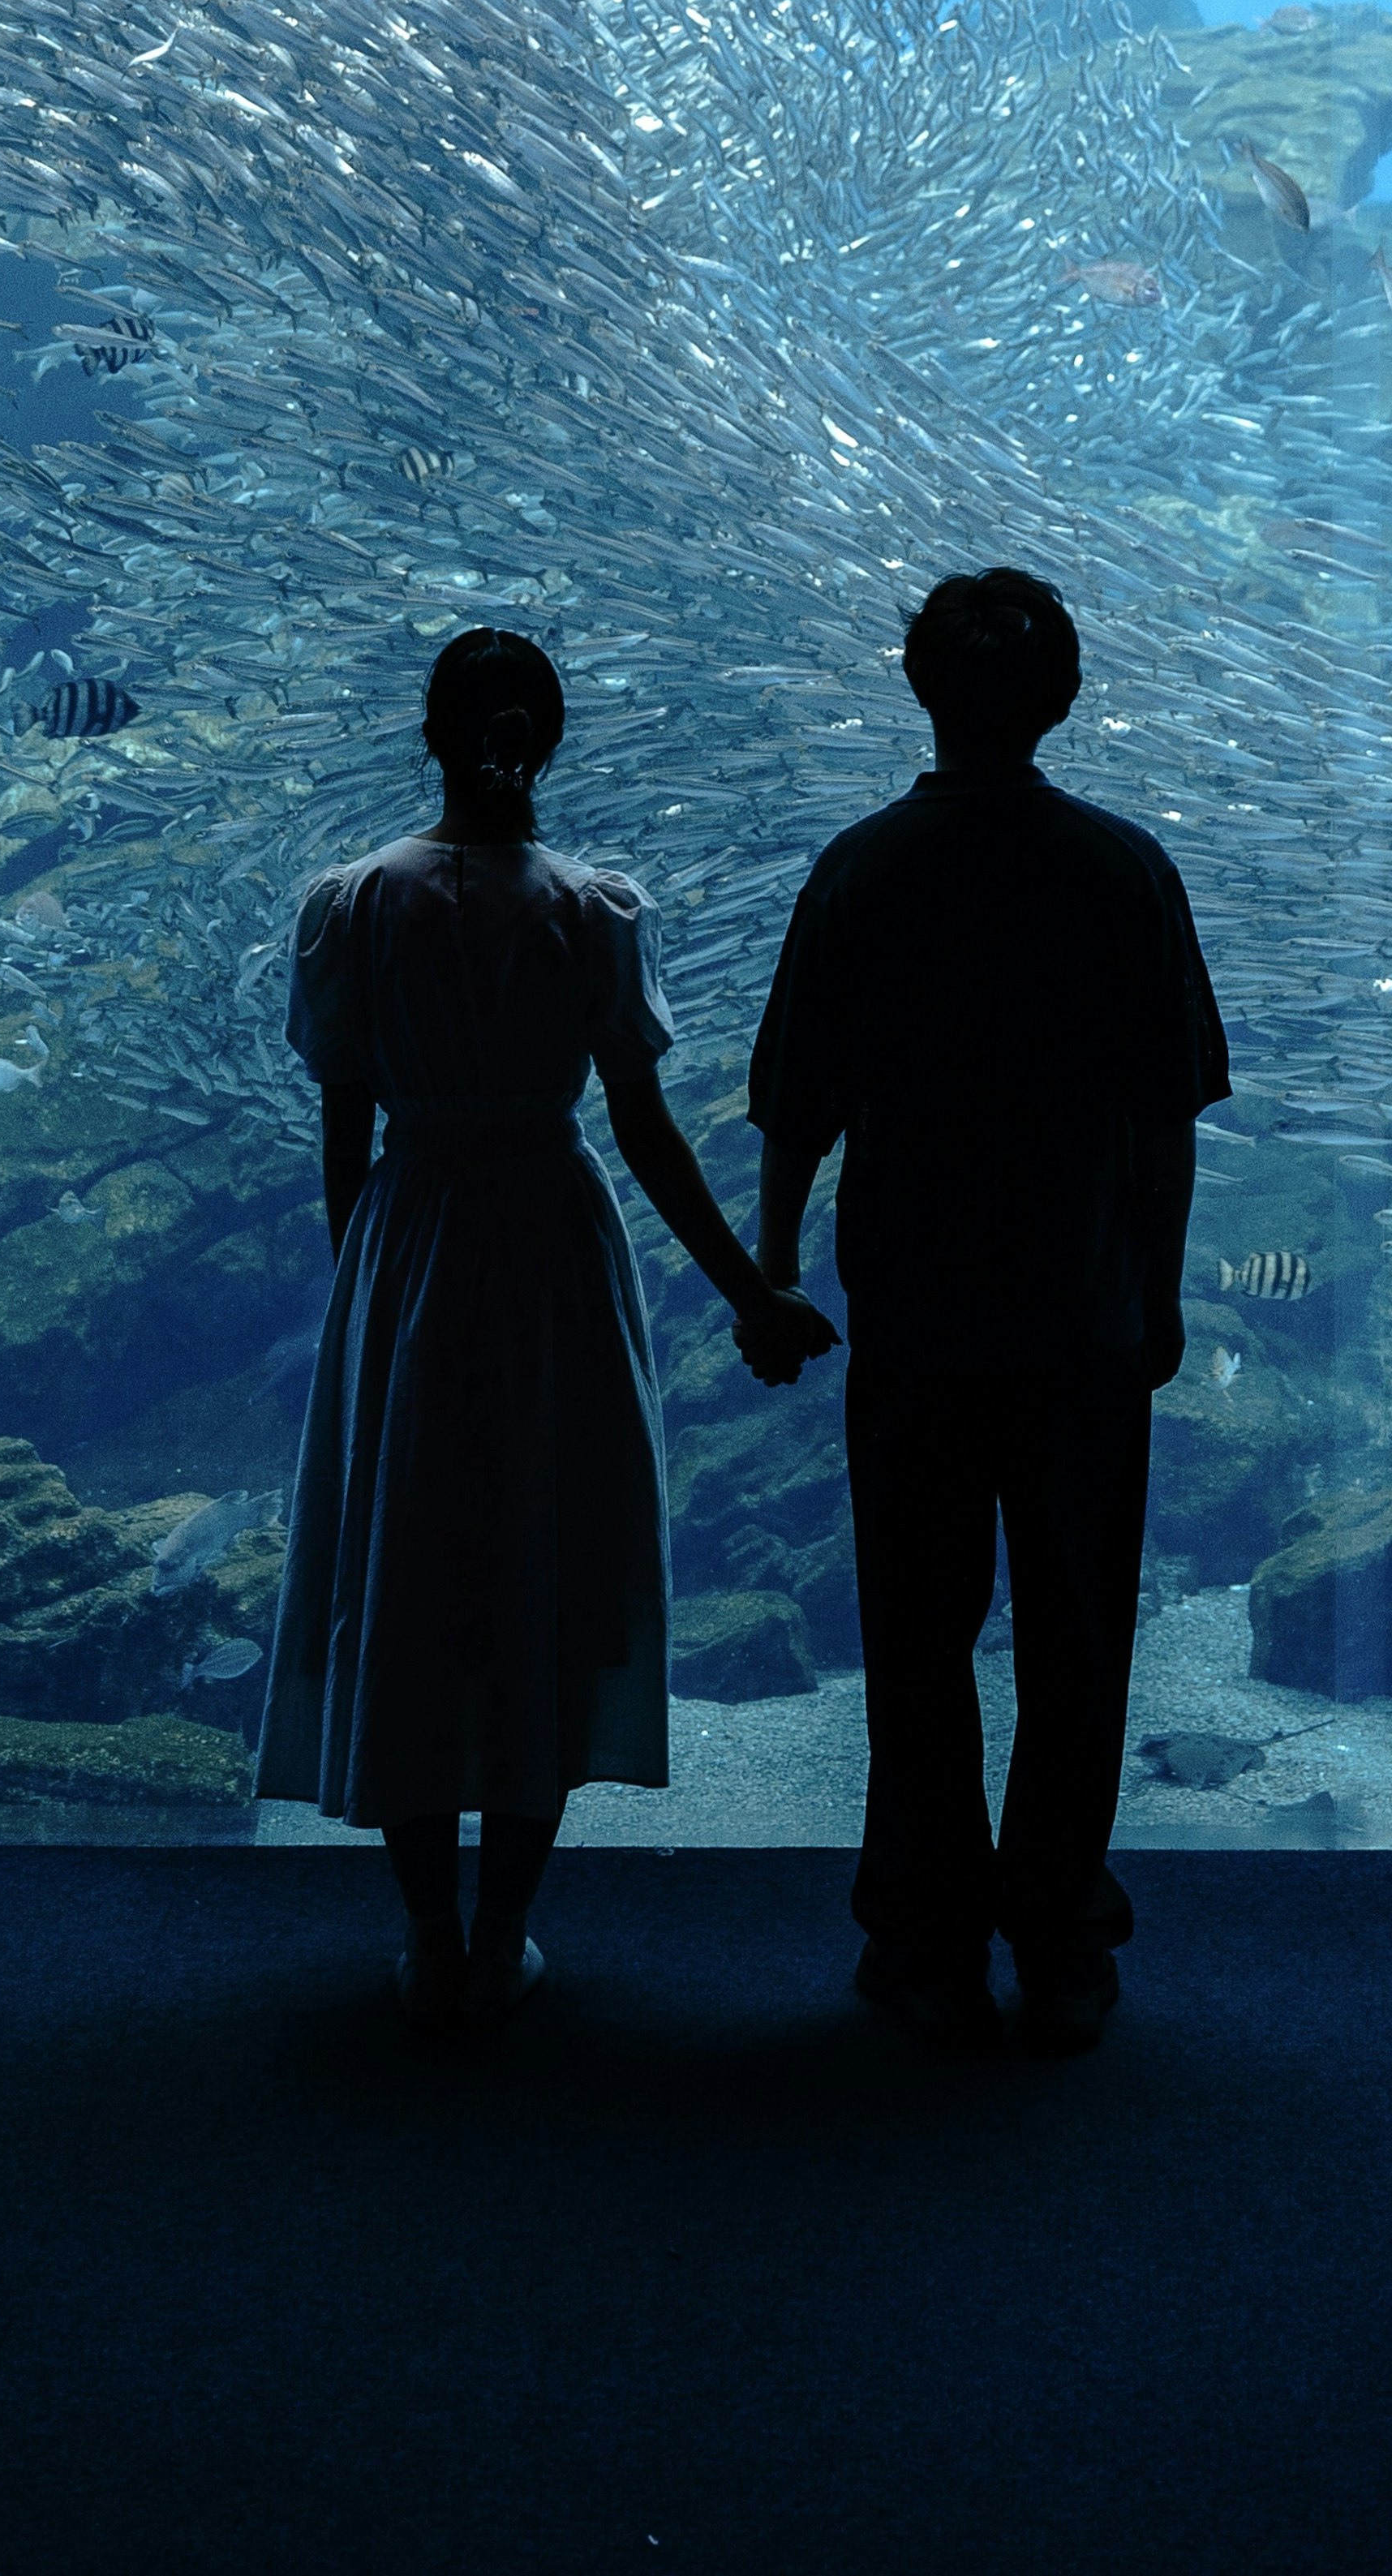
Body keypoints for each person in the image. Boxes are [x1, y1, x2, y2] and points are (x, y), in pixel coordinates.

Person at [259, 626, 834, 2029]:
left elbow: (347, 1129)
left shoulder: (353, 904)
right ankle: (506, 1924)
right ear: (550, 739)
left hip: (411, 1241)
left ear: (431, 734)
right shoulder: (592, 910)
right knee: (541, 1558)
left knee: (411, 1556)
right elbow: (640, 1131)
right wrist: (749, 1287)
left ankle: (427, 1931)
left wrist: (364, 1295)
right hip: (549, 1248)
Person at [746, 568, 1228, 2059]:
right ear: (1067, 696)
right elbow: (1165, 1120)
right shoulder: (1124, 870)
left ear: (918, 687)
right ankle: (1063, 1938)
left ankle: (927, 1935)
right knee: (1079, 1631)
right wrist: (1156, 1287)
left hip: (916, 1313)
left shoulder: (864, 870)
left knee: (917, 1624)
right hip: (1079, 1312)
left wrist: (774, 1270)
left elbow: (794, 1107)